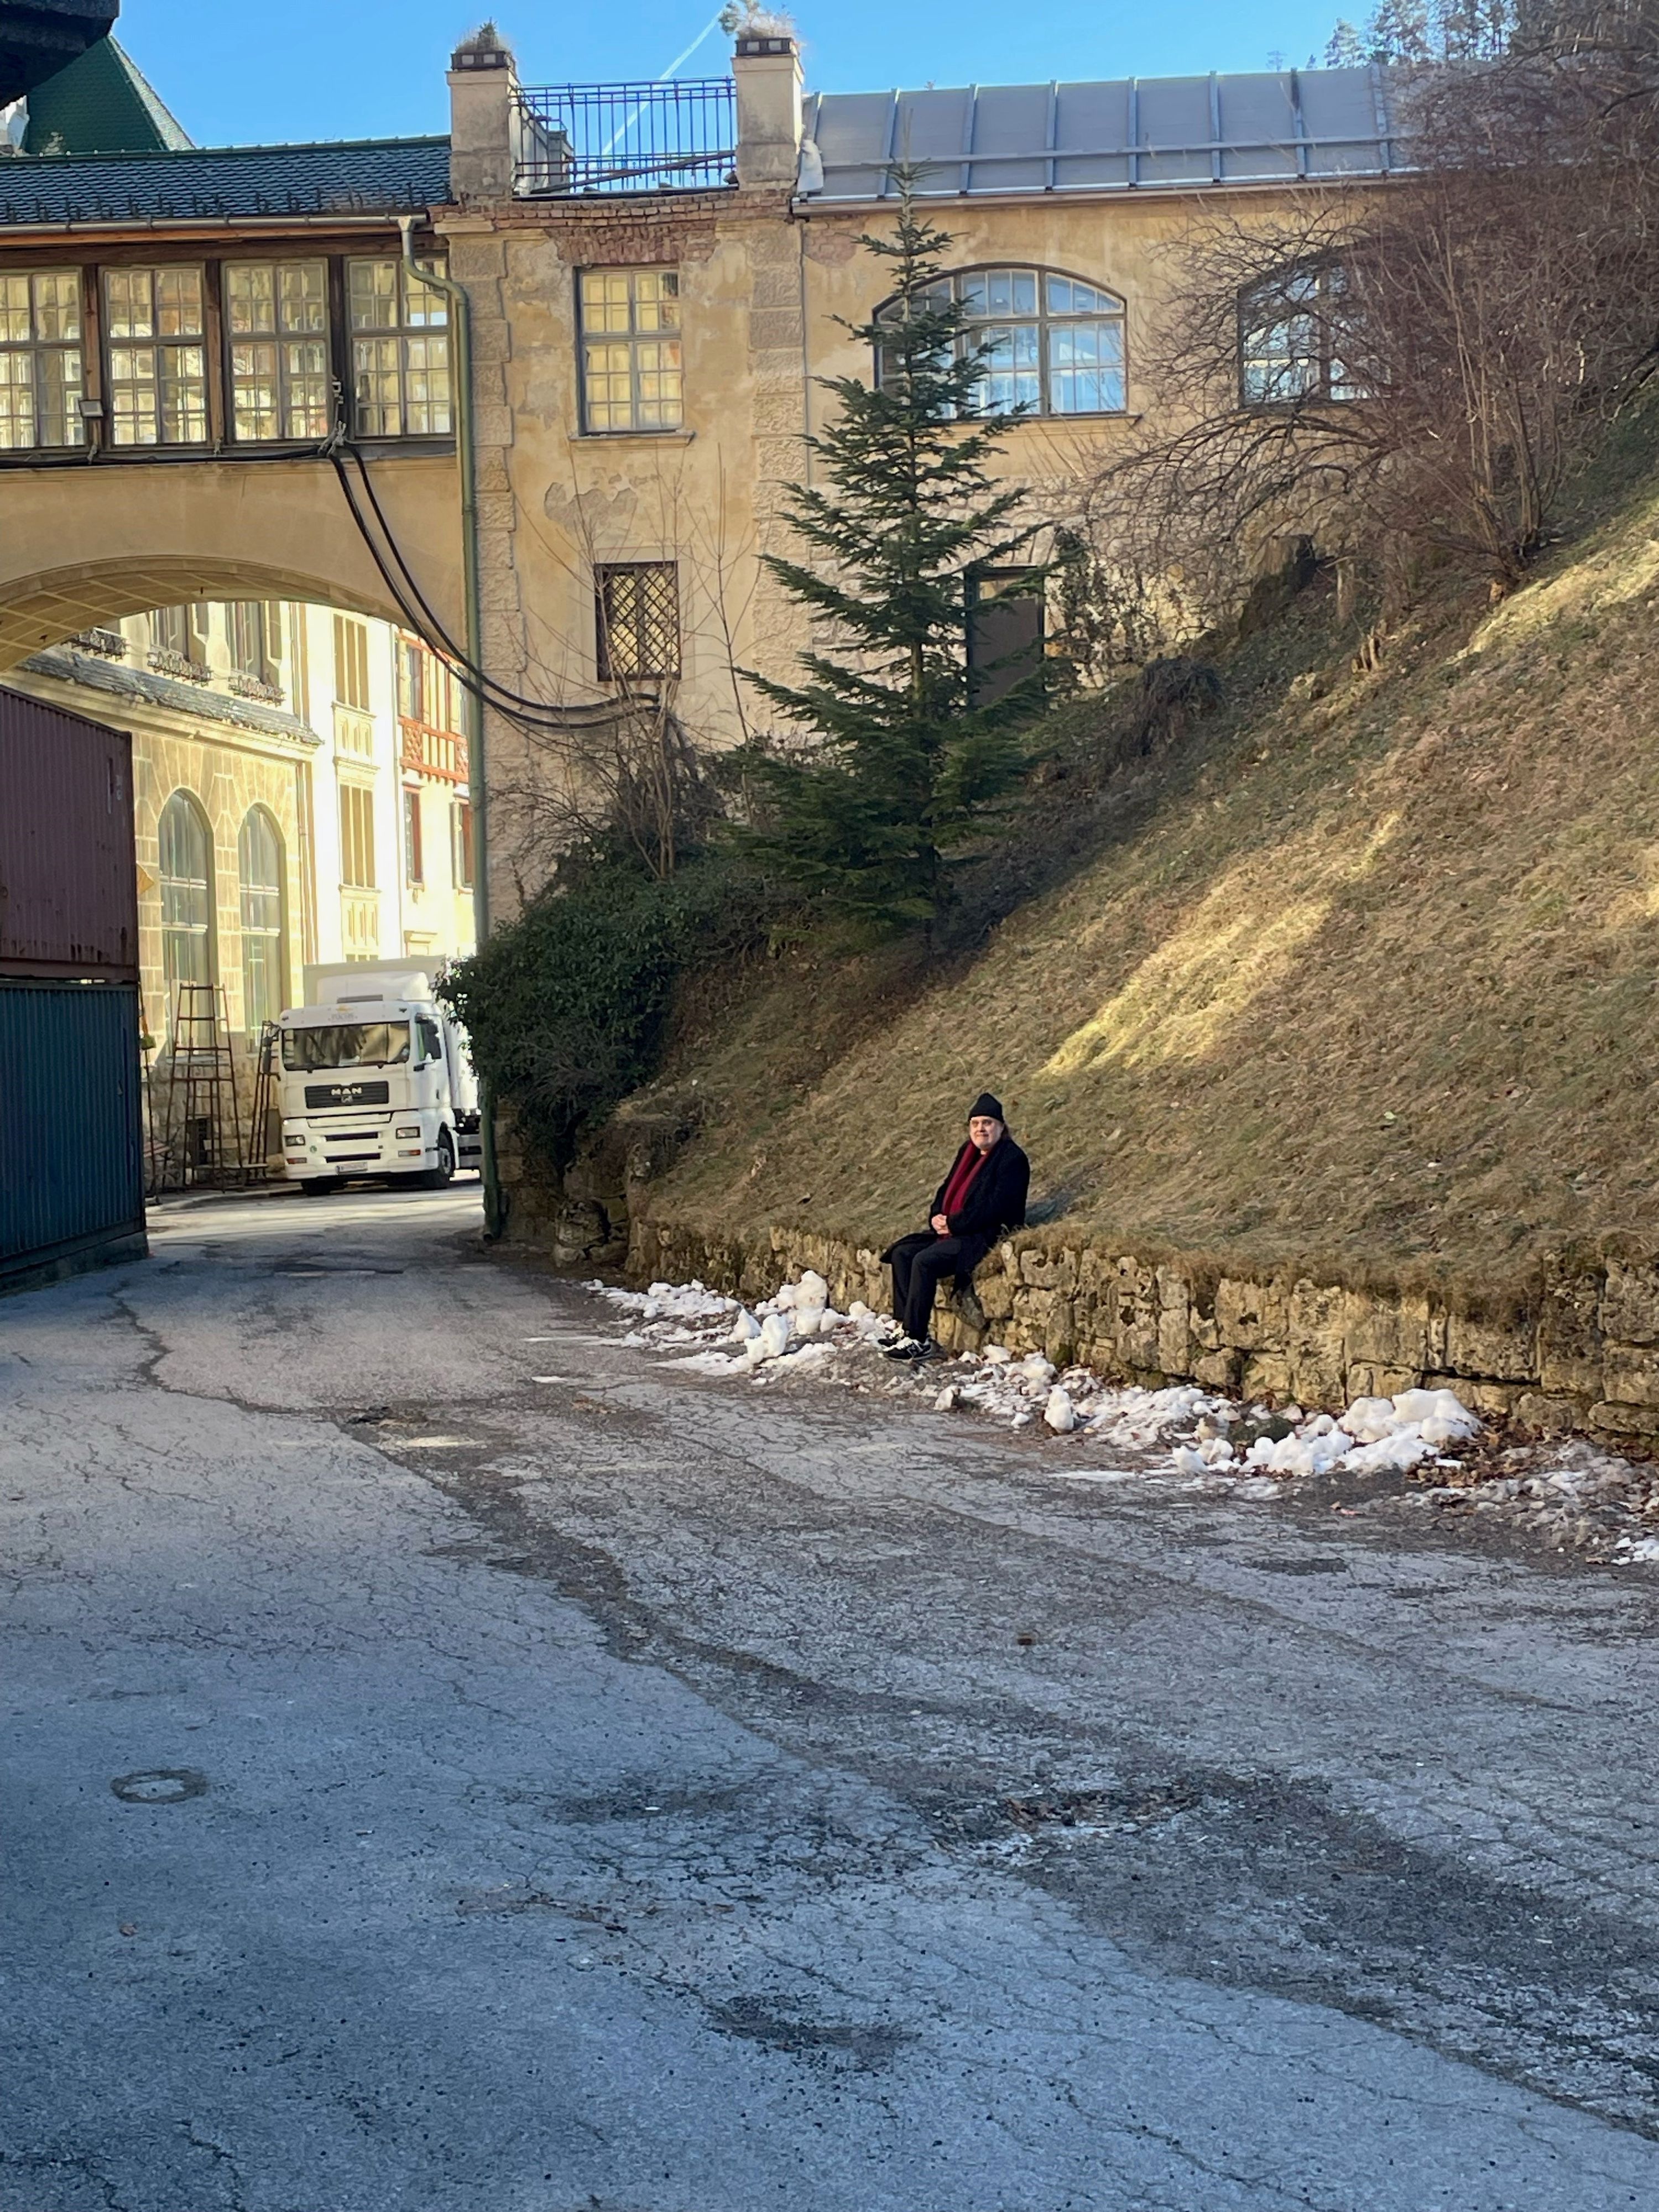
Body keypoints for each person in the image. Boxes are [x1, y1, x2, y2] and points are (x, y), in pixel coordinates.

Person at [880, 1092, 1030, 1360]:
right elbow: (946, 1190)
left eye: (987, 1123)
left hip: (982, 1235)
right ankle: (905, 1327)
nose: (981, 1129)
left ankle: (917, 1338)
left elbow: (995, 1208)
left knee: (925, 1261)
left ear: (1001, 1127)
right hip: (953, 1230)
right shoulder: (968, 1153)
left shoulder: (1011, 1159)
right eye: (975, 1124)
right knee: (903, 1253)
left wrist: (953, 1223)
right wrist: (937, 1216)